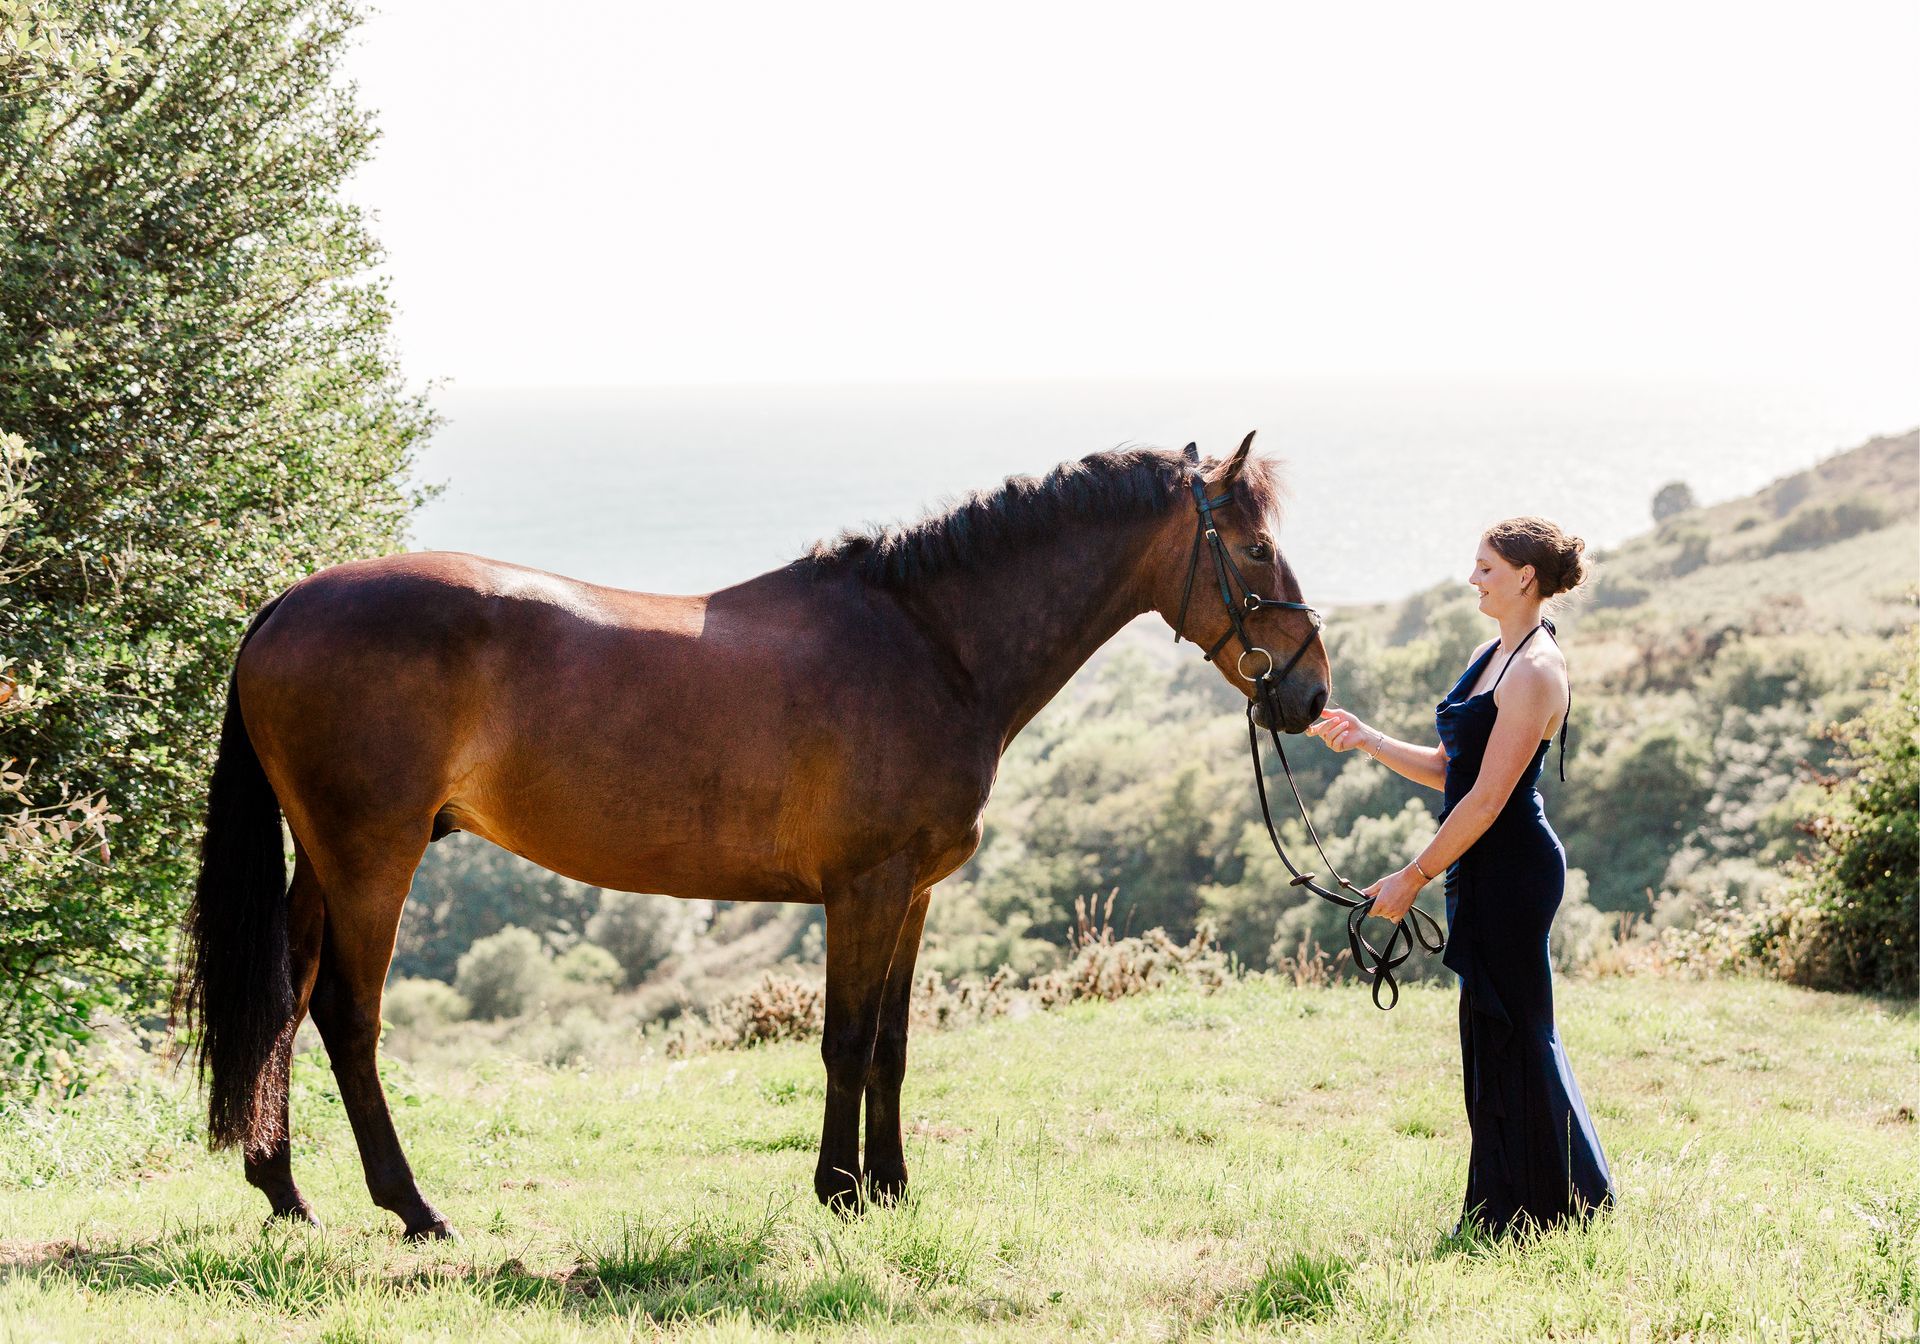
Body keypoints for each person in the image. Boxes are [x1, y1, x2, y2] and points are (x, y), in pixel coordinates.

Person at [1307, 516, 1616, 1238]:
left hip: (1512, 870)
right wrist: (1368, 739)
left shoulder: (1538, 671)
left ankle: (1559, 1205)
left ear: (1524, 578)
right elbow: (1454, 772)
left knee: (1519, 1031)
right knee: (1489, 1033)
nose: (1472, 578)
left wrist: (1412, 875)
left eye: (1484, 567)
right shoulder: (1492, 653)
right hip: (1479, 862)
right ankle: (1513, 1205)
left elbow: (1486, 799)